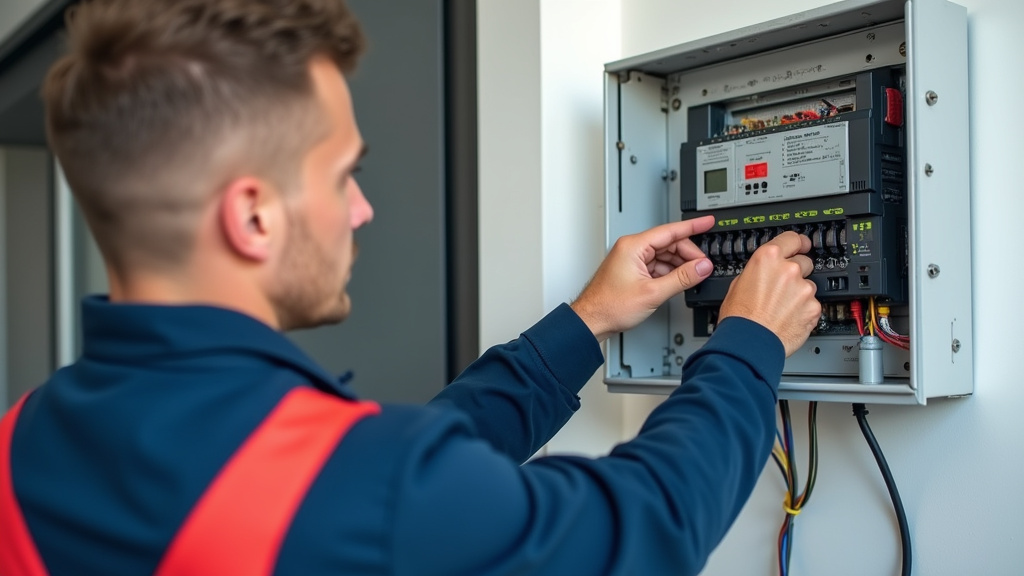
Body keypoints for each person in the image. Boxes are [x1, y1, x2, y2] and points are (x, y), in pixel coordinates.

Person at [0, 0, 821, 574]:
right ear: (252, 217)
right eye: (342, 175)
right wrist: (747, 345)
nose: (361, 210)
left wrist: (585, 321)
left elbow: (377, 483)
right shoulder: (359, 489)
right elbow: (648, 526)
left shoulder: (20, 445)